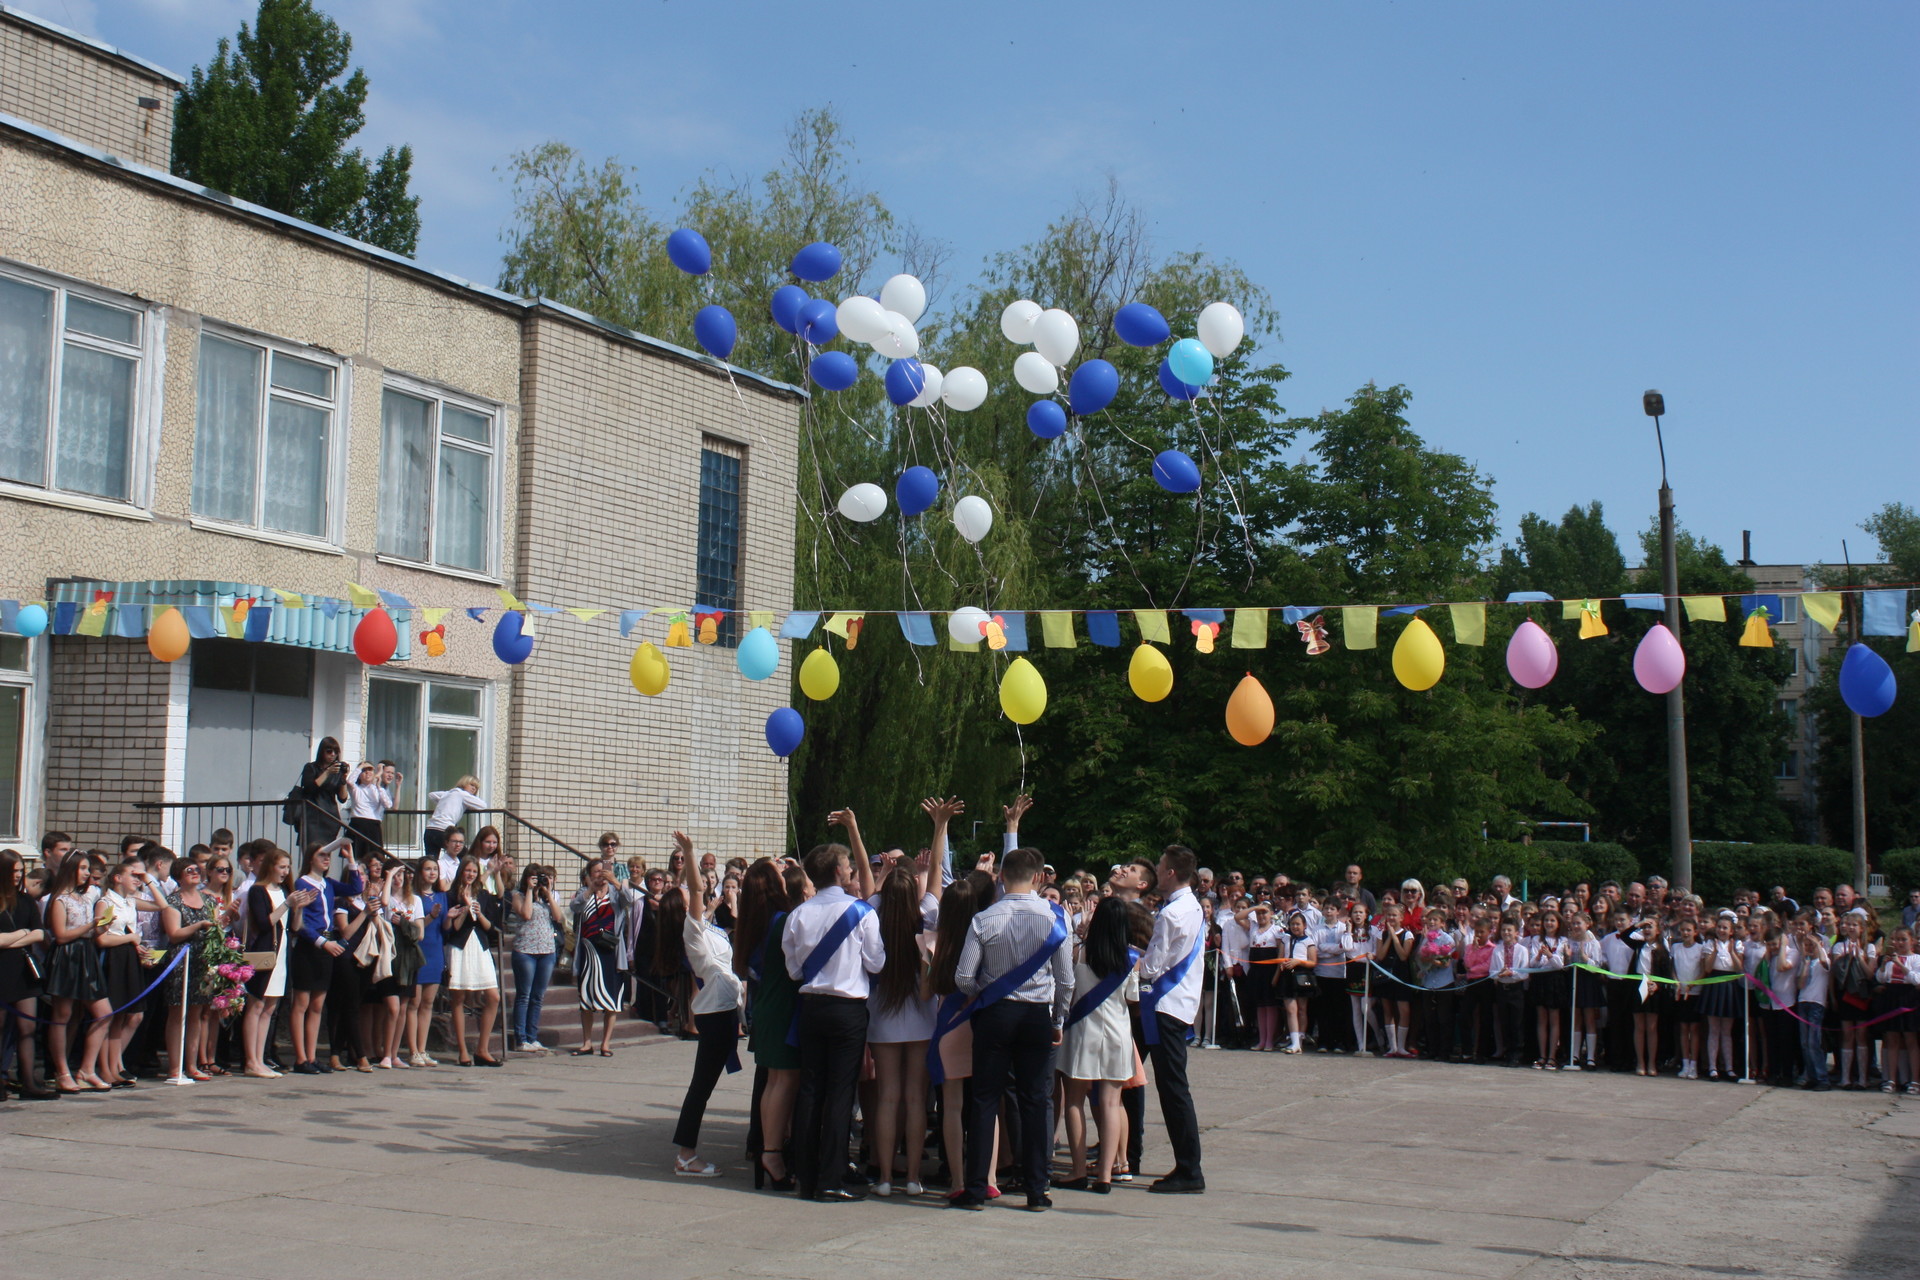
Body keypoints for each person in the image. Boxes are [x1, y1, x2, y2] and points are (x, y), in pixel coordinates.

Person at [950, 845, 1073, 1212]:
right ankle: (1037, 1189)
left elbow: (962, 977)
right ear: (1039, 878)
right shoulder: (1054, 919)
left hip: (995, 1014)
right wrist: (1058, 1019)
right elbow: (1065, 980)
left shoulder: (984, 918)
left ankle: (975, 1189)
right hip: (1037, 1014)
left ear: (1000, 876)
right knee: (1036, 1099)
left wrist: (982, 995)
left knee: (985, 1099)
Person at [780, 811, 882, 1202]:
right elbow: (877, 963)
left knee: (810, 1090)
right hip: (847, 1009)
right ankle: (833, 1175)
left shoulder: (798, 915)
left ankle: (806, 1174)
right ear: (840, 871)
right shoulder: (861, 912)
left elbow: (793, 970)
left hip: (811, 1008)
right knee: (841, 1093)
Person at [659, 831, 743, 1177]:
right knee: (701, 1086)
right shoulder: (693, 932)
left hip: (724, 1010)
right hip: (715, 1013)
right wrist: (690, 852)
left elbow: (701, 897)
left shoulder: (707, 927)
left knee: (703, 1085)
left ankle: (686, 1152)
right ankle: (685, 1155)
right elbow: (695, 888)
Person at [1137, 844, 1206, 1195]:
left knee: (1173, 1088)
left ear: (1170, 873)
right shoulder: (1190, 906)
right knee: (1170, 1086)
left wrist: (1134, 963)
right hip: (1178, 1004)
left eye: (1161, 866)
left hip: (1165, 1005)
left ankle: (1189, 1168)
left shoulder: (1172, 914)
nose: (1157, 872)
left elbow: (1153, 966)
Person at [866, 857, 936, 1197]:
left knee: (887, 1098)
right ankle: (911, 1177)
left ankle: (883, 1177)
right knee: (915, 1098)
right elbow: (935, 882)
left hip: (882, 1017)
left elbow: (873, 894)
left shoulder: (873, 920)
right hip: (922, 1019)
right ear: (914, 897)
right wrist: (941, 829)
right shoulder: (925, 924)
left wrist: (883, 876)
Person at [1058, 895, 1138, 1194]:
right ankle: (1105, 1174)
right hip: (1117, 1033)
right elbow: (1133, 998)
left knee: (1075, 1101)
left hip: (1082, 1032)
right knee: (1111, 1103)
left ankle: (1078, 1170)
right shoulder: (1131, 958)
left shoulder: (1079, 952)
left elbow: (1068, 990)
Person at [735, 856, 800, 1191]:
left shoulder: (756, 921)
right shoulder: (784, 920)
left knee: (774, 1081)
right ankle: (773, 1151)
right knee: (783, 1082)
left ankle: (768, 1147)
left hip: (768, 1008)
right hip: (785, 1007)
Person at [42, 850, 114, 1092]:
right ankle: (61, 1071)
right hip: (67, 956)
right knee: (62, 1015)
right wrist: (90, 925)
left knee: (104, 1012)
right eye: (82, 869)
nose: (86, 874)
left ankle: (87, 1068)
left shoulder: (90, 895)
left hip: (87, 953)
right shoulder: (59, 898)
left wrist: (102, 926)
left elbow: (92, 931)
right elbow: (60, 936)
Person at [241, 847, 302, 1078]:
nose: (286, 872)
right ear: (270, 867)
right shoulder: (258, 890)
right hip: (264, 951)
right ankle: (251, 1060)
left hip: (283, 951)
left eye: (288, 867)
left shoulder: (285, 890)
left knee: (270, 1007)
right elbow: (265, 923)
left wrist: (298, 908)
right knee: (256, 1004)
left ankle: (260, 1058)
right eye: (281, 867)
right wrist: (286, 904)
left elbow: (294, 927)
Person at [160, 856, 220, 1080]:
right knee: (178, 1012)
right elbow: (174, 933)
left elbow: (216, 927)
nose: (195, 872)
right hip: (182, 959)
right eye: (189, 870)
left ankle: (192, 1065)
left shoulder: (209, 900)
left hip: (202, 960)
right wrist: (198, 925)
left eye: (197, 869)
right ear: (178, 876)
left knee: (197, 1012)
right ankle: (175, 1067)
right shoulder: (173, 901)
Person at [0, 849, 54, 1100]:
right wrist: (21, 936)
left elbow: (40, 933)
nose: (18, 876)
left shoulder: (26, 901)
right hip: (3, 969)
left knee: (27, 1027)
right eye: (13, 871)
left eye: (20, 871)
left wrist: (13, 939)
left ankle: (29, 1081)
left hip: (23, 969)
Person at [570, 856, 635, 1055]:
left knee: (612, 1000)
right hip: (588, 953)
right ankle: (587, 1042)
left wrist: (615, 881)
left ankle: (605, 1043)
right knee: (586, 1000)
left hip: (611, 953)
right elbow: (575, 907)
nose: (601, 875)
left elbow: (630, 901)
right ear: (589, 875)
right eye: (596, 872)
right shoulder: (583, 893)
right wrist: (591, 888)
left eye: (603, 871)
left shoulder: (616, 893)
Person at [442, 853, 503, 1067]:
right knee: (458, 998)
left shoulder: (484, 894)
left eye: (474, 871)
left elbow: (490, 927)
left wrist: (479, 912)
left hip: (480, 944)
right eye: (468, 870)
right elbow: (453, 928)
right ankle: (463, 1051)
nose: (470, 874)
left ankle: (482, 1049)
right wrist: (465, 909)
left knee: (493, 996)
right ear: (461, 872)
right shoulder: (451, 894)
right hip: (459, 945)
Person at [509, 863, 566, 1053]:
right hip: (525, 951)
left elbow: (559, 918)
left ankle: (532, 1037)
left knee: (538, 997)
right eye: (534, 878)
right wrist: (530, 891)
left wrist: (547, 892)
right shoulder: (518, 896)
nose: (538, 881)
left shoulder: (547, 899)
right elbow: (526, 914)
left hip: (547, 951)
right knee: (524, 995)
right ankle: (521, 1038)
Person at [375, 861, 425, 1068]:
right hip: (390, 956)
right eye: (395, 875)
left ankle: (395, 1054)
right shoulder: (384, 897)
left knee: (403, 1007)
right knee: (393, 1008)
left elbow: (419, 933)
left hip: (408, 957)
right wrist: (388, 877)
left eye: (401, 874)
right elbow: (384, 903)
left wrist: (403, 923)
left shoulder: (415, 900)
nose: (399, 879)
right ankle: (386, 1053)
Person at [408, 857, 448, 1067]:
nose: (432, 873)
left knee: (428, 1003)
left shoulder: (441, 896)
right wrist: (431, 916)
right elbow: (415, 926)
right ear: (420, 872)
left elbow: (446, 926)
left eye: (435, 869)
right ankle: (412, 1050)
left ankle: (423, 1050)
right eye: (427, 869)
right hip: (418, 950)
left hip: (435, 951)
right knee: (414, 1002)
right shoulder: (412, 896)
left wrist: (451, 916)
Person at [1274, 910, 1318, 1055]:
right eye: (1292, 924)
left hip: (1301, 975)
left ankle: (1300, 1039)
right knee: (1291, 1009)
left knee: (1301, 1010)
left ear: (1304, 925)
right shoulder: (1286, 939)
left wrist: (1298, 961)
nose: (1295, 927)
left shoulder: (1308, 941)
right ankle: (1294, 1042)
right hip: (1287, 975)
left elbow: (1313, 962)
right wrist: (1277, 973)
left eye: (1298, 924)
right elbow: (1280, 958)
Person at [297, 738, 352, 849]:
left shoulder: (336, 772)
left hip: (329, 817)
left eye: (336, 752)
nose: (333, 754)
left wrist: (343, 778)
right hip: (312, 816)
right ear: (322, 751)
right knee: (311, 853)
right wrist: (327, 772)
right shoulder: (311, 768)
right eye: (329, 751)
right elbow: (310, 788)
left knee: (325, 855)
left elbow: (342, 798)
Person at [1244, 902, 1283, 1051]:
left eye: (1265, 912)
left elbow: (1280, 952)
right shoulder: (1253, 927)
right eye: (1259, 913)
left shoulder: (1277, 930)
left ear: (1271, 914)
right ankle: (1261, 1040)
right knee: (1260, 1006)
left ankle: (1269, 1041)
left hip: (1270, 971)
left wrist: (1277, 974)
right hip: (1256, 971)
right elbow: (1238, 917)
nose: (1261, 916)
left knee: (1270, 1005)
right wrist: (1254, 908)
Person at [425, 775, 486, 866]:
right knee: (466, 858)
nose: (474, 789)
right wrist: (467, 805)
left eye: (476, 787)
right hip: (443, 830)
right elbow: (483, 805)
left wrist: (447, 800)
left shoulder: (448, 793)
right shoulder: (463, 794)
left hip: (430, 830)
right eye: (472, 785)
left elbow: (432, 795)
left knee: (431, 863)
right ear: (464, 783)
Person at [347, 760, 398, 859]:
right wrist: (360, 767)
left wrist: (378, 786)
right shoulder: (356, 788)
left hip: (373, 826)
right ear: (360, 774)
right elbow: (349, 781)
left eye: (370, 770)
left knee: (375, 858)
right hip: (358, 824)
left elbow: (388, 804)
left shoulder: (377, 789)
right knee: (356, 857)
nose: (367, 772)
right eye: (364, 770)